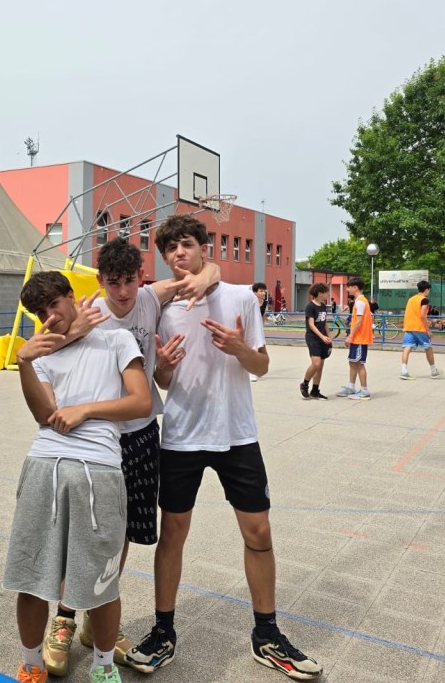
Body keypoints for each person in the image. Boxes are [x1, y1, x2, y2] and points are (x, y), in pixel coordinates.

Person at [125, 215, 321, 680]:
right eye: (170, 248)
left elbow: (262, 366)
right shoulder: (162, 307)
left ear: (203, 248)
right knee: (173, 533)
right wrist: (164, 366)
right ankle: (163, 631)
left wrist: (239, 349)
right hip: (181, 436)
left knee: (259, 533)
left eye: (186, 245)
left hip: (237, 434)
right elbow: (163, 381)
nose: (179, 253)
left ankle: (266, 634)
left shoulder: (240, 298)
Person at [41, 239, 219, 676]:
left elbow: (206, 272)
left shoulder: (149, 298)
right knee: (86, 532)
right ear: (100, 281)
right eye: (113, 282)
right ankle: (63, 619)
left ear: (140, 277)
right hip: (97, 438)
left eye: (128, 281)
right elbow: (40, 348)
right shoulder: (89, 313)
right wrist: (70, 334)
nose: (122, 292)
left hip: (141, 434)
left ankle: (98, 618)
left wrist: (208, 274)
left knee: (119, 534)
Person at [4, 271, 151, 683]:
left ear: (72, 296)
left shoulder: (116, 339)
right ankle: (31, 664)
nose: (50, 317)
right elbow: (43, 414)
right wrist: (23, 362)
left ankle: (103, 668)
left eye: (55, 304)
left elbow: (141, 402)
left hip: (98, 467)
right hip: (45, 463)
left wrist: (86, 409)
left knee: (101, 578)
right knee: (33, 575)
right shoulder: (41, 354)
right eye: (41, 312)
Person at [399, 280, 443, 381]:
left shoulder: (411, 299)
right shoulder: (424, 300)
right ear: (427, 289)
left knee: (407, 348)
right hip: (419, 328)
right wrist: (428, 330)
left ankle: (404, 371)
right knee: (428, 348)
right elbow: (422, 315)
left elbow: (413, 313)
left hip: (409, 327)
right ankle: (434, 371)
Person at [336, 277, 372, 401]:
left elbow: (359, 321)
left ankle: (364, 391)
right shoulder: (360, 301)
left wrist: (350, 336)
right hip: (357, 338)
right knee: (352, 362)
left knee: (359, 364)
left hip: (359, 338)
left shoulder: (360, 302)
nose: (347, 289)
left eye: (349, 287)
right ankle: (351, 387)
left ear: (355, 287)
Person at [300, 283, 331, 400]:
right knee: (316, 363)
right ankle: (304, 384)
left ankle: (315, 391)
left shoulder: (323, 306)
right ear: (319, 293)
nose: (328, 294)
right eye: (326, 292)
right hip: (313, 338)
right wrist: (322, 337)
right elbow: (311, 325)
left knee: (320, 366)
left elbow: (324, 322)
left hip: (323, 338)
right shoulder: (310, 306)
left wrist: (329, 335)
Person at [248, 283, 268, 382]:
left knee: (259, 349)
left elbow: (262, 315)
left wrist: (261, 327)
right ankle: (251, 372)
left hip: (258, 328)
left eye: (264, 291)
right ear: (255, 292)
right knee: (253, 349)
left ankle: (255, 370)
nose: (263, 293)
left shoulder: (265, 302)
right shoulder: (251, 301)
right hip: (249, 327)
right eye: (261, 291)